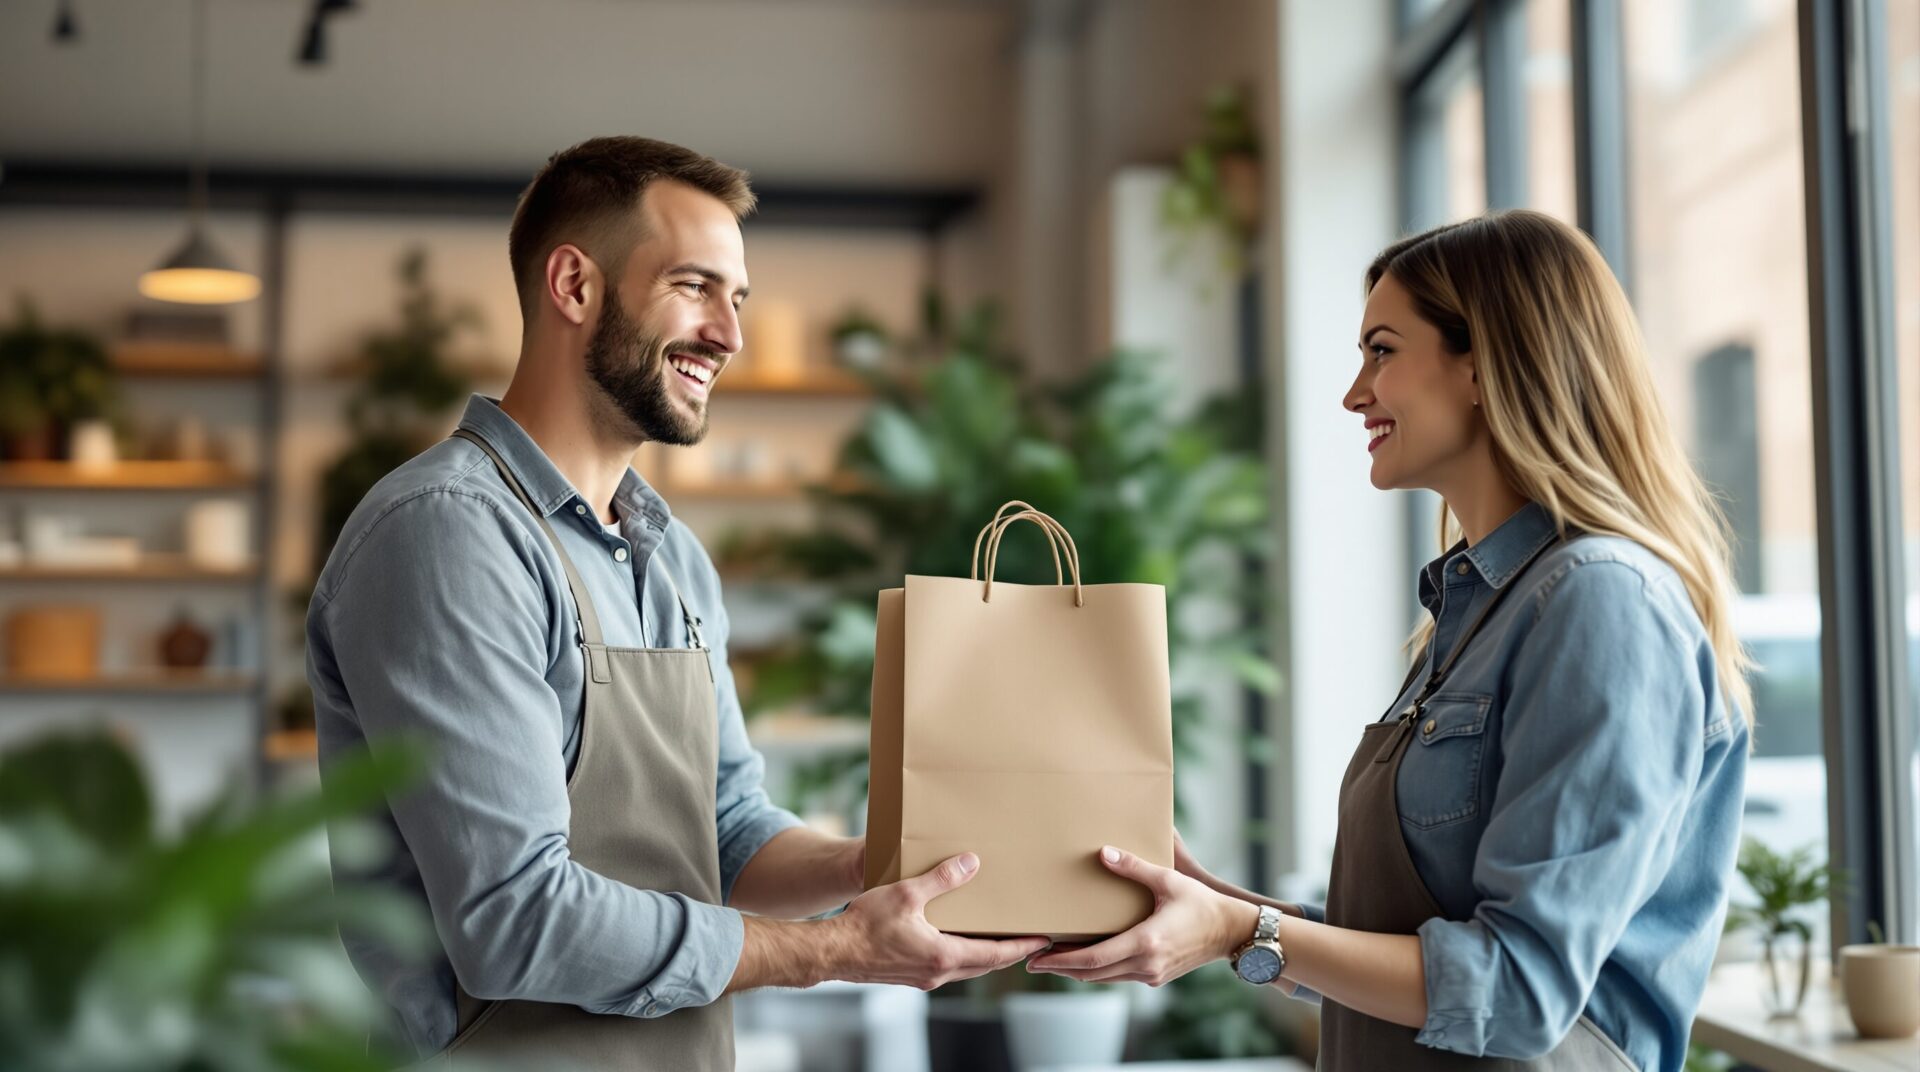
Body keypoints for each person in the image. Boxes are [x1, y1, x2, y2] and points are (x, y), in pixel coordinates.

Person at [306, 136, 1046, 1070]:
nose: (729, 336)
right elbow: (513, 920)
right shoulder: (449, 534)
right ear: (573, 286)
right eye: (696, 287)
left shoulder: (671, 560)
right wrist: (836, 952)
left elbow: (727, 829)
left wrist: (886, 862)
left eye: (735, 300)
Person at [1028, 209, 1752, 1072]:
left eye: (1382, 350)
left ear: (1483, 364)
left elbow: (1518, 992)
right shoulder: (1478, 610)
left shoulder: (1601, 603)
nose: (1354, 392)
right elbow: (1416, 949)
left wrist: (1242, 929)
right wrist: (1209, 901)